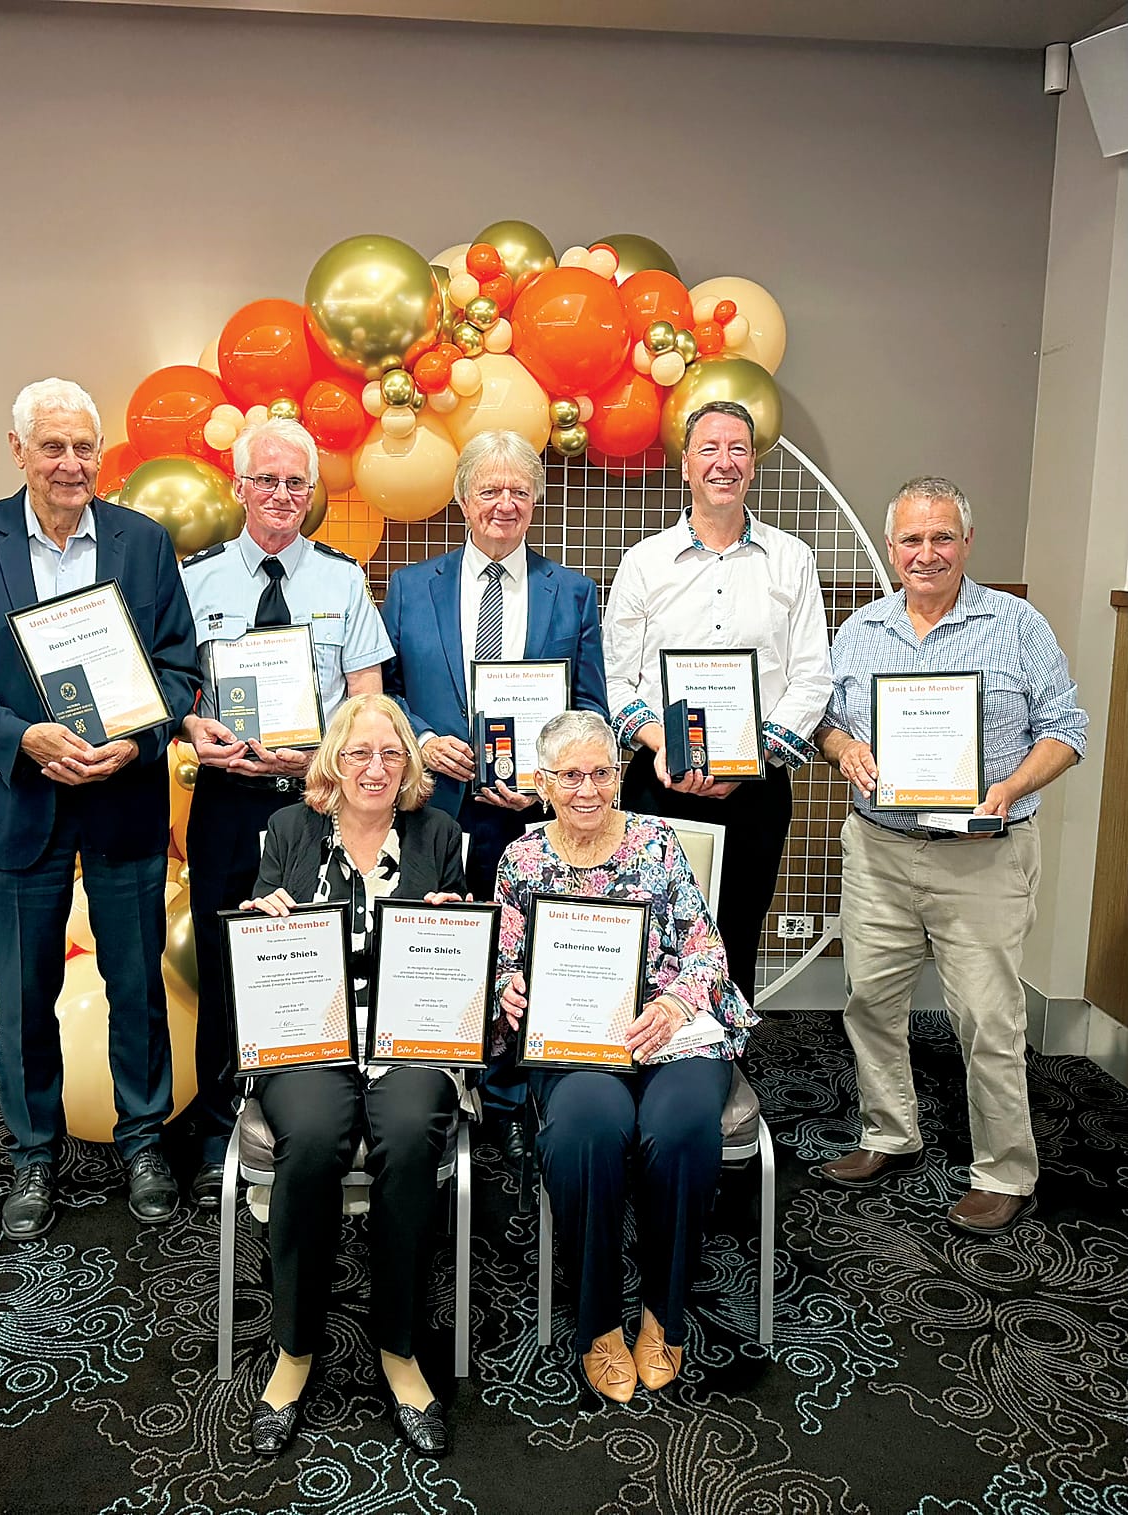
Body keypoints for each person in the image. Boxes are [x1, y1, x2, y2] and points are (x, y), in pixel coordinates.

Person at [0, 377, 200, 1240]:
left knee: (136, 985)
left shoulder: (143, 542)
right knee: (24, 991)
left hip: (122, 802)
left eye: (84, 446)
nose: (71, 463)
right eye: (53, 446)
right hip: (17, 803)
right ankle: (33, 1153)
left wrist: (140, 739)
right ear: (18, 452)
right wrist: (23, 738)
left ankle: (143, 1138)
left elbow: (179, 668)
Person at [816, 477, 1087, 1234]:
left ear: (966, 543)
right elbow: (825, 724)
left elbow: (1067, 728)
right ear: (891, 547)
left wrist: (1009, 785)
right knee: (869, 999)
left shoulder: (1017, 623)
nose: (925, 553)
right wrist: (844, 750)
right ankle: (888, 1132)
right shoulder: (860, 629)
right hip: (879, 847)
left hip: (982, 854)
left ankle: (1003, 1169)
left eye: (941, 537)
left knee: (985, 1018)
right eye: (911, 539)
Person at [494, 711, 757, 1402]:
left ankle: (662, 1313)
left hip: (670, 1030)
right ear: (543, 781)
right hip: (575, 1038)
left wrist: (672, 1004)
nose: (588, 789)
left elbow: (705, 947)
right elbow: (500, 960)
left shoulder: (656, 840)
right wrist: (508, 988)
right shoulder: (520, 858)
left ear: (618, 773)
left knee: (676, 1133)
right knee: (585, 1130)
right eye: (570, 775)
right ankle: (597, 1321)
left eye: (602, 772)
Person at [238, 694, 466, 1458]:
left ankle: (398, 1347)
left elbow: (462, 948)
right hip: (311, 1035)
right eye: (359, 753)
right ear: (332, 761)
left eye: (391, 753)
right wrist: (262, 916)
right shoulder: (288, 831)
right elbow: (257, 946)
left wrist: (452, 917)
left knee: (408, 1135)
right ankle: (295, 1349)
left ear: (409, 764)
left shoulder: (438, 834)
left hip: (408, 1034)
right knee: (312, 1137)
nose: (375, 768)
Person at [179, 418, 392, 1208]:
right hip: (229, 805)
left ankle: (314, 1124)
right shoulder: (194, 579)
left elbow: (368, 701)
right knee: (225, 964)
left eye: (295, 482)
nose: (280, 494)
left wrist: (320, 759)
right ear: (238, 487)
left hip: (316, 807)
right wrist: (191, 728)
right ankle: (214, 1130)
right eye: (265, 479)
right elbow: (174, 694)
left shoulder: (342, 580)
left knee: (321, 961)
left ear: (313, 494)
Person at [381, 429, 608, 1160]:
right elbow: (383, 693)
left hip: (532, 818)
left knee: (525, 952)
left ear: (535, 501)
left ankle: (510, 1098)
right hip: (438, 809)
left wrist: (549, 772)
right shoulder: (411, 586)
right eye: (489, 490)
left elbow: (592, 709)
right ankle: (440, 1087)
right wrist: (418, 737)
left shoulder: (570, 592)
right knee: (445, 946)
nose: (503, 504)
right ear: (461, 499)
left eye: (518, 491)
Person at [602, 400, 831, 1008]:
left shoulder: (793, 559)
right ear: (685, 464)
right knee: (651, 935)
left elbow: (811, 679)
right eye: (708, 449)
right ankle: (647, 1064)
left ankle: (728, 1069)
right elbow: (617, 680)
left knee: (736, 933)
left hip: (754, 789)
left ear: (753, 464)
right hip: (658, 782)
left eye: (737, 449)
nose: (723, 463)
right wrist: (659, 745)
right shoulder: (644, 563)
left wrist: (747, 762)